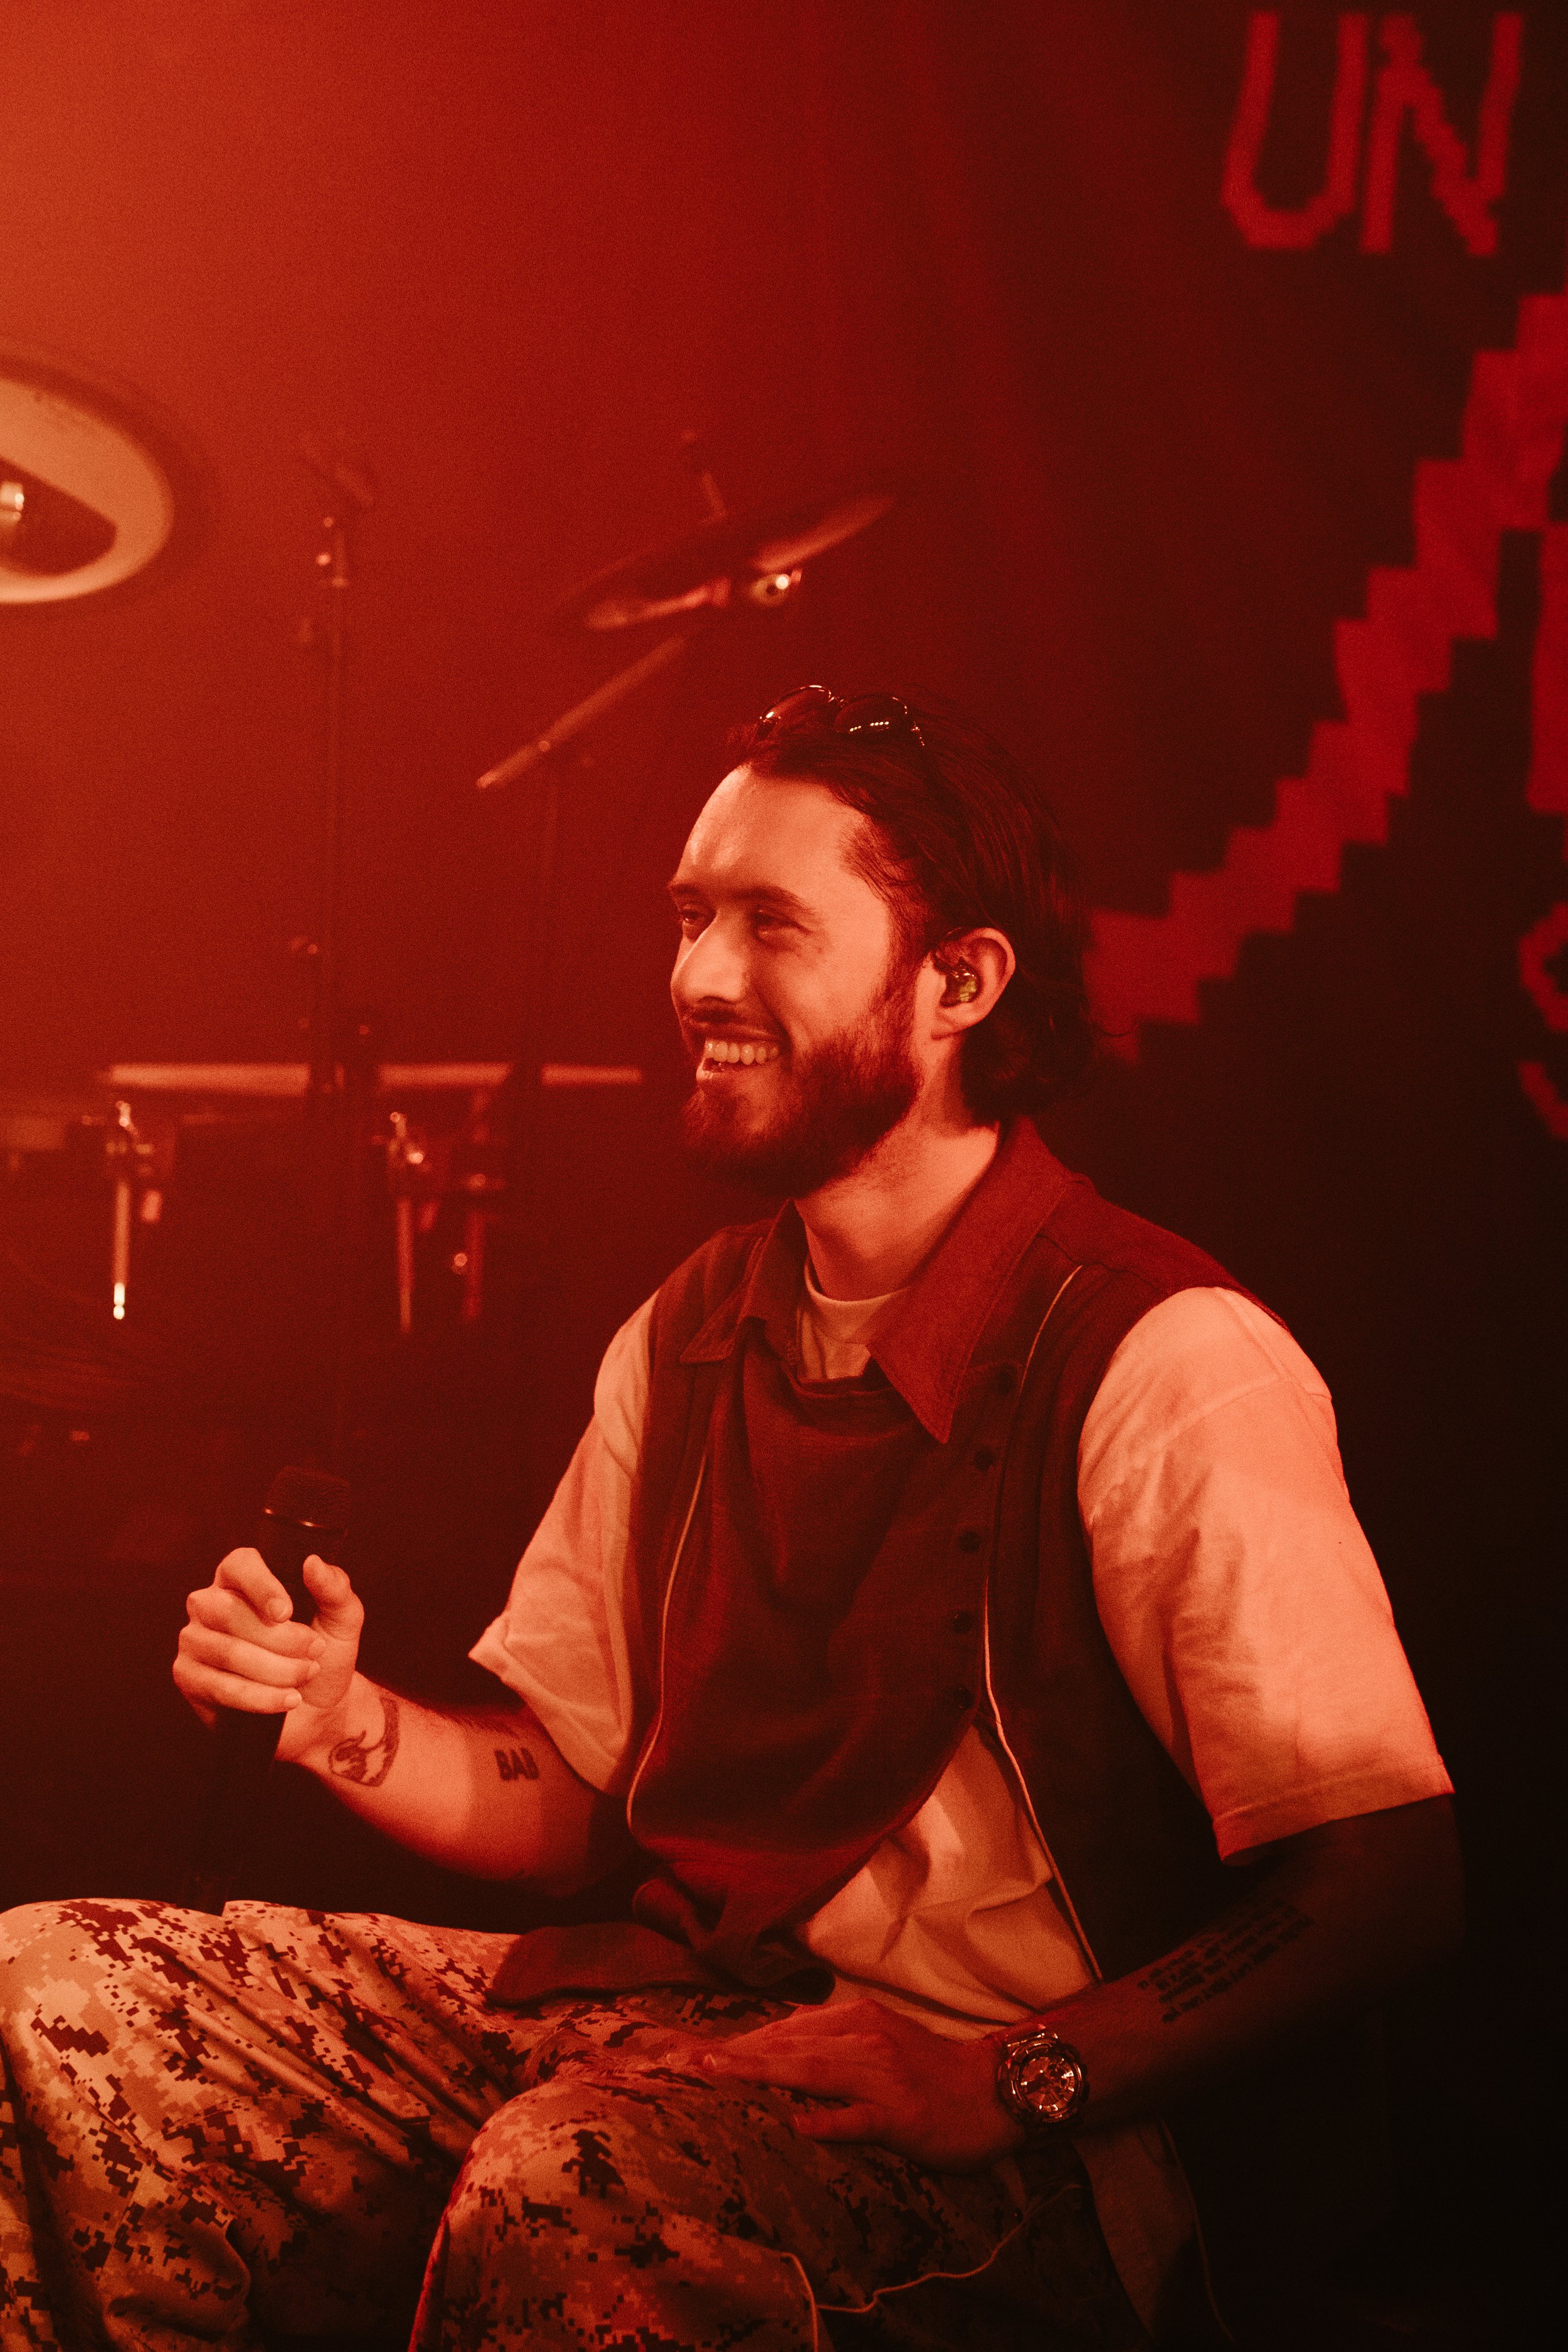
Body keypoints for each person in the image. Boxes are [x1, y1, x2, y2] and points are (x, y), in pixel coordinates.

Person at [0, 686, 1459, 2351]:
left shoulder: (1162, 1356)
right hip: (668, 2021)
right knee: (50, 1991)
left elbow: (1382, 1887)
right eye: (692, 916)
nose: (697, 977)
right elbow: (573, 1798)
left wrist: (1012, 2075)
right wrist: (342, 1722)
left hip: (1029, 2141)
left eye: (771, 922)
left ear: (961, 984)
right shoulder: (690, 1328)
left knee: (572, 2181)